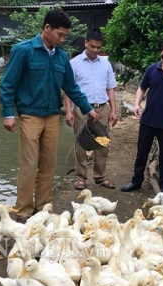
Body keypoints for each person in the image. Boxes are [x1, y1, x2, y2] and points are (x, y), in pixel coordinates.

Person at [0, 9, 98, 223]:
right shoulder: (23, 51)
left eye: (65, 36)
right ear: (46, 28)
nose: (62, 40)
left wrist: (88, 108)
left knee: (48, 164)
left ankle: (43, 208)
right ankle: (24, 211)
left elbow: (71, 88)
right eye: (59, 35)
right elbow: (7, 84)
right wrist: (9, 113)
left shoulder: (62, 57)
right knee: (28, 163)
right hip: (30, 116)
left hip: (52, 116)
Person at [120, 39, 163, 197]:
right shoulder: (152, 70)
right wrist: (137, 104)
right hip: (148, 120)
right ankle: (136, 181)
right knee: (141, 152)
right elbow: (142, 88)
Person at [64, 28, 117, 190]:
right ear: (85, 43)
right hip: (82, 109)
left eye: (98, 47)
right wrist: (68, 110)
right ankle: (81, 177)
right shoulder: (74, 64)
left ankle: (100, 177)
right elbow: (68, 89)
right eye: (92, 46)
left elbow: (110, 88)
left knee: (103, 143)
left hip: (102, 108)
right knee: (81, 143)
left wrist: (113, 110)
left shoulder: (106, 64)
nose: (95, 50)